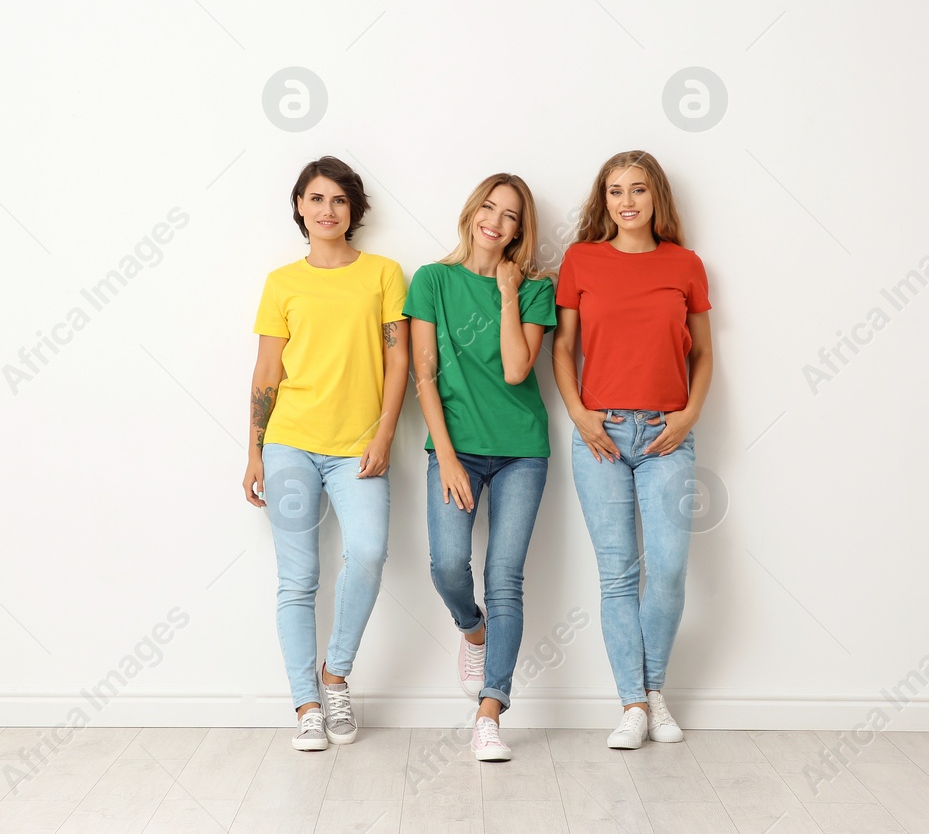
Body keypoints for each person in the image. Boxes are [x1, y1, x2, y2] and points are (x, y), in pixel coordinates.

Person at [243, 155, 409, 751]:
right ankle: (306, 705)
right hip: (289, 440)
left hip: (358, 447)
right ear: (299, 208)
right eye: (316, 199)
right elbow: (267, 370)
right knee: (299, 577)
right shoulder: (282, 282)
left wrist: (385, 433)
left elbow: (399, 361)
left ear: (353, 210)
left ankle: (335, 675)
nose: (327, 210)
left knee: (366, 553)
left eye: (338, 200)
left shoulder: (385, 274)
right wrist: (255, 450)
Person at [552, 150, 714, 749]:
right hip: (601, 437)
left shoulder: (687, 265)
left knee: (668, 571)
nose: (626, 201)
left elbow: (703, 353)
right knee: (619, 575)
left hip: (669, 435)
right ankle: (633, 705)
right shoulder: (581, 260)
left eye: (638, 190)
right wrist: (580, 415)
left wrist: (689, 414)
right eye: (615, 190)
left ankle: (651, 691)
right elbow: (562, 349)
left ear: (656, 199)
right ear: (604, 200)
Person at [406, 174, 555, 762]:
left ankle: (490, 712)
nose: (495, 221)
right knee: (447, 566)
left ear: (521, 229)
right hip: (457, 448)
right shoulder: (432, 280)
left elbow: (518, 371)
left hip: (522, 449)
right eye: (488, 208)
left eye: (510, 216)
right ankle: (473, 631)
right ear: (472, 212)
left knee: (506, 578)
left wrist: (510, 292)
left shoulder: (537, 288)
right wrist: (445, 457)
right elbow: (424, 376)